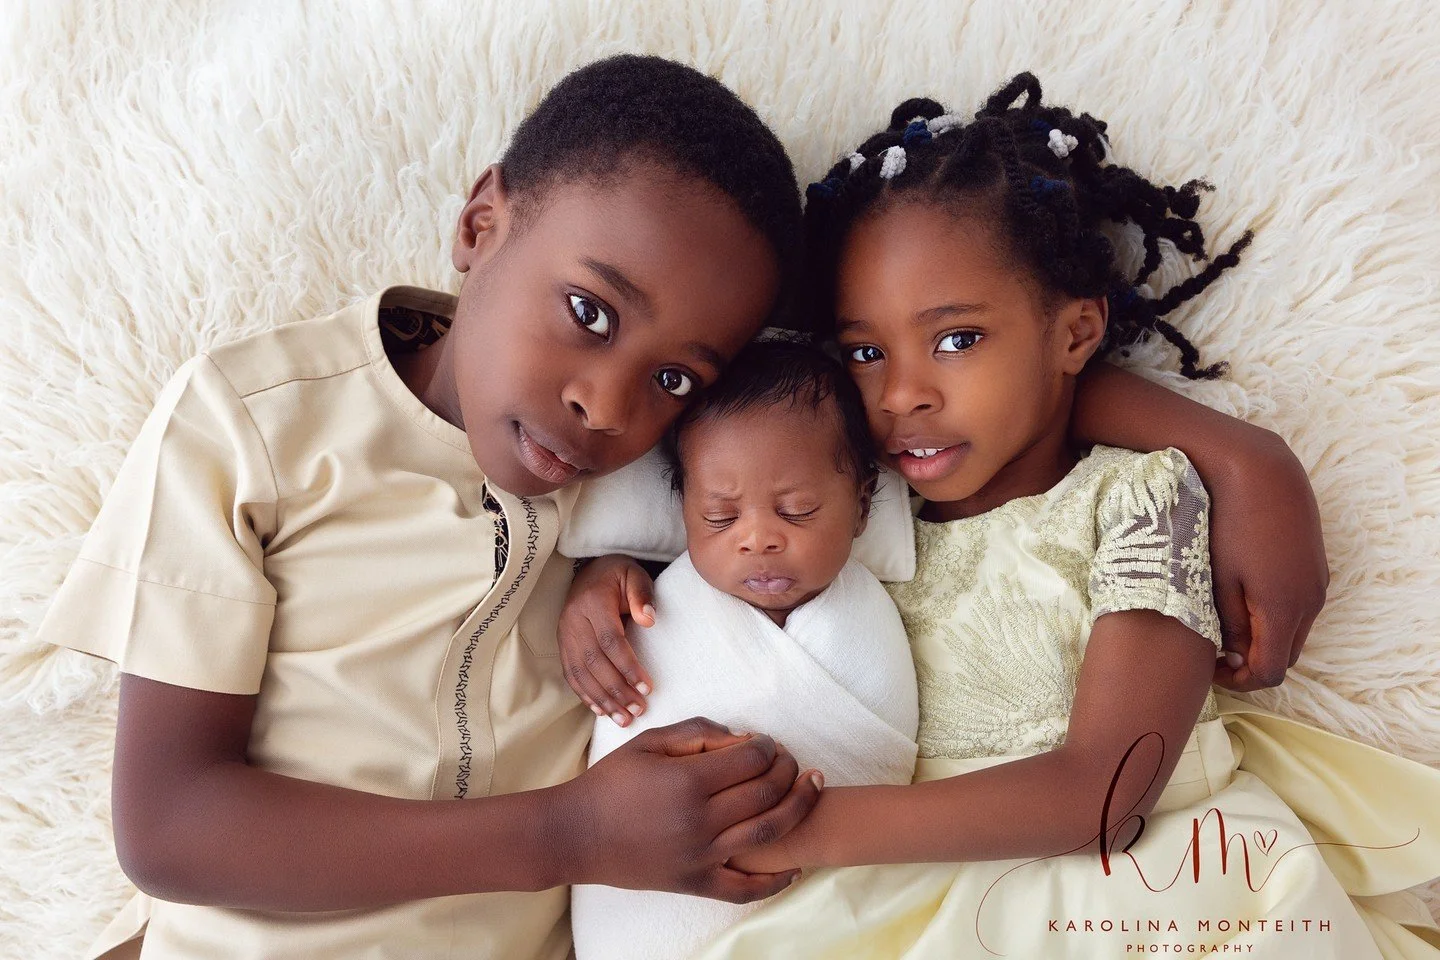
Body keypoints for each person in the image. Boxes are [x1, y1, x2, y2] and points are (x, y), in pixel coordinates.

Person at [40, 53, 1332, 959]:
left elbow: (924, 412)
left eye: (674, 378)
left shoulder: (671, 462)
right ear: (480, 221)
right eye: (587, 312)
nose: (603, 404)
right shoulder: (264, 422)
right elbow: (168, 825)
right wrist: (573, 828)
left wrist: (1234, 453)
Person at [678, 74, 1436, 957]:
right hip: (918, 898)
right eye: (865, 351)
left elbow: (1104, 798)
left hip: (1149, 894)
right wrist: (609, 589)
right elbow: (716, 532)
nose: (903, 393)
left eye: (957, 339)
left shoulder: (1139, 500)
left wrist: (799, 832)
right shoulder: (857, 517)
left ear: (1076, 334)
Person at [569, 339, 920, 960]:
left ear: (863, 506)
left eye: (797, 510)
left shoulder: (868, 621)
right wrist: (591, 581)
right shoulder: (655, 601)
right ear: (684, 513)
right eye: (721, 518)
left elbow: (878, 770)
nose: (758, 539)